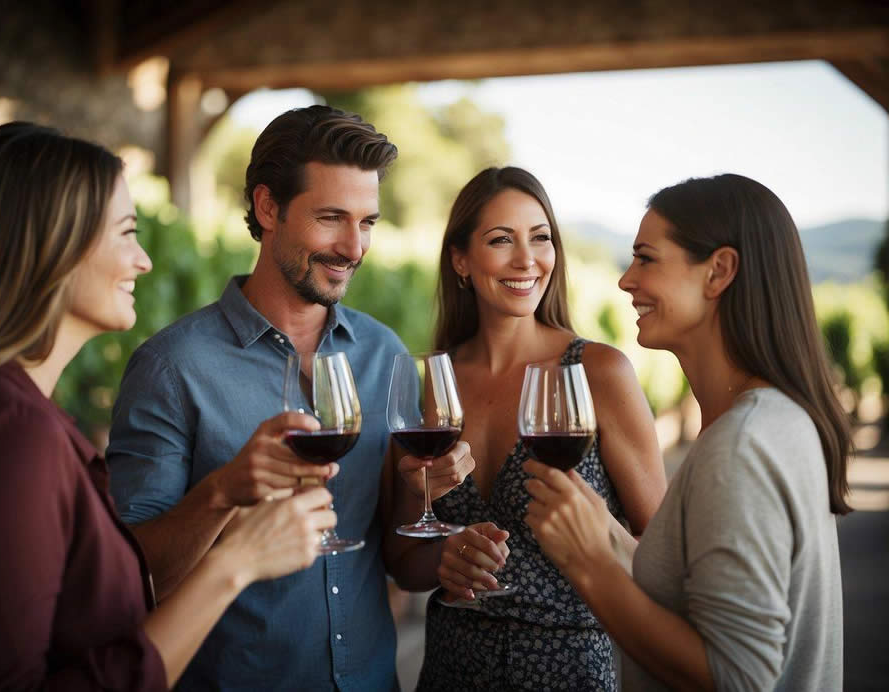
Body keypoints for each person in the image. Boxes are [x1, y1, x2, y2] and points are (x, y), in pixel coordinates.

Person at [0, 122, 335, 691]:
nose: (144, 260)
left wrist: (222, 493)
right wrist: (236, 563)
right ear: (49, 245)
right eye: (126, 232)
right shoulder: (8, 435)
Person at [106, 105, 415, 691]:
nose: (354, 246)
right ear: (268, 207)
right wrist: (223, 492)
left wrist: (427, 490)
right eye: (332, 218)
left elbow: (406, 563)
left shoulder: (386, 354)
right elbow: (134, 577)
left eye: (368, 221)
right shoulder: (172, 367)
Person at [525, 173, 850, 691]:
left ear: (718, 271)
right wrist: (604, 534)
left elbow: (735, 677)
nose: (626, 280)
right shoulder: (781, 419)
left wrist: (589, 567)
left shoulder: (742, 445)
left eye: (646, 258)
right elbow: (691, 598)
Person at [382, 166, 667, 690]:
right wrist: (444, 555)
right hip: (452, 671)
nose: (526, 259)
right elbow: (404, 563)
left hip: (570, 669)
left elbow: (662, 560)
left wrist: (594, 524)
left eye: (541, 238)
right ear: (461, 260)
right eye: (500, 240)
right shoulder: (433, 383)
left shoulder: (598, 373)